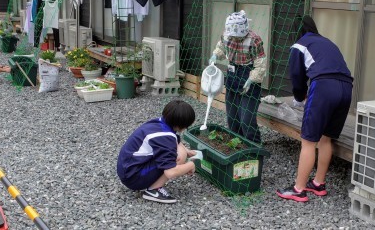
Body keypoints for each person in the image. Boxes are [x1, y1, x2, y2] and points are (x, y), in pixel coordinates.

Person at [277, 15, 353, 202]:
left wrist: (298, 98)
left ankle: (299, 189)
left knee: (308, 141)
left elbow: (297, 78)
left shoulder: (299, 45)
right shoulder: (327, 42)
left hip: (324, 87)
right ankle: (318, 183)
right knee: (326, 138)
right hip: (347, 88)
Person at [117, 100, 198, 204]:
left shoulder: (159, 123)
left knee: (181, 151)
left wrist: (187, 150)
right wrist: (190, 165)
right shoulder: (166, 137)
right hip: (133, 178)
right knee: (180, 156)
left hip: (127, 169)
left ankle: (149, 184)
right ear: (182, 125)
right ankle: (153, 190)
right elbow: (171, 172)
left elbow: (172, 139)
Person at [209, 10, 266, 144]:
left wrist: (252, 79)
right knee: (232, 118)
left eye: (237, 37)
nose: (234, 39)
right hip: (232, 75)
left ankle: (255, 149)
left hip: (249, 77)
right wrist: (215, 55)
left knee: (247, 120)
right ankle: (237, 146)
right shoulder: (226, 35)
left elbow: (260, 64)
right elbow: (221, 47)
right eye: (232, 36)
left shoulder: (254, 40)